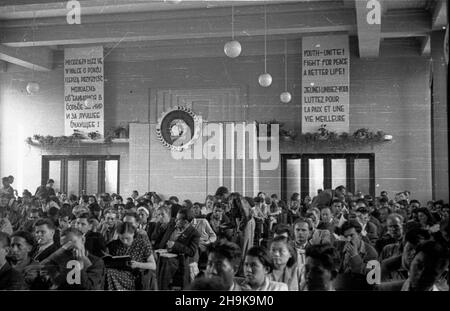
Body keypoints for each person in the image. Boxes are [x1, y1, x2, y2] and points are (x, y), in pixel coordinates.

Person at [155, 208, 200, 290]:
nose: (175, 220)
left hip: (177, 258)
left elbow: (191, 252)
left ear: (185, 222)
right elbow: (159, 239)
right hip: (161, 252)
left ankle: (161, 289)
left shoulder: (194, 233)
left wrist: (175, 245)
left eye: (178, 219)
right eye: (176, 218)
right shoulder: (172, 225)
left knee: (165, 262)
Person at [105, 222, 156, 290]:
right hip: (117, 272)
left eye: (127, 238)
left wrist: (137, 264)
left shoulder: (142, 244)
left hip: (135, 277)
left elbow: (153, 265)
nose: (125, 241)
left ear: (133, 234)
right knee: (105, 272)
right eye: (122, 238)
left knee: (109, 273)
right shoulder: (115, 244)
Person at [334, 220, 378, 290]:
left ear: (360, 235)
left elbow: (371, 279)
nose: (348, 240)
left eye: (351, 235)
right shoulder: (340, 247)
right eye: (346, 236)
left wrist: (355, 256)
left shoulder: (371, 253)